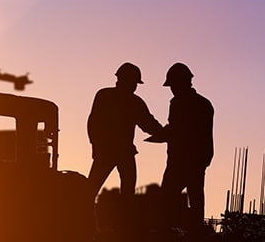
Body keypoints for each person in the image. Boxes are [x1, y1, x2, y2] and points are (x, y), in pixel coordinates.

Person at [86, 62, 164, 201]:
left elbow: (148, 123)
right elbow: (149, 125)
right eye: (134, 82)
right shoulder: (131, 101)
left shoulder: (106, 95)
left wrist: (96, 146)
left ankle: (82, 216)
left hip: (114, 151)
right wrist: (166, 133)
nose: (135, 86)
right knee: (116, 191)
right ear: (124, 80)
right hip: (115, 151)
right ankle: (122, 219)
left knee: (92, 189)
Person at [154, 62, 214, 229]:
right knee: (195, 199)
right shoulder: (204, 103)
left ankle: (166, 234)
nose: (172, 89)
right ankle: (194, 235)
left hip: (182, 161)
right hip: (194, 160)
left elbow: (179, 130)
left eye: (173, 85)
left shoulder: (180, 104)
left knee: (167, 199)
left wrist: (161, 135)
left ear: (183, 83)